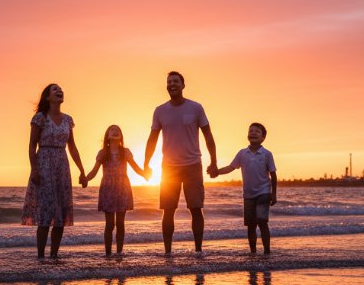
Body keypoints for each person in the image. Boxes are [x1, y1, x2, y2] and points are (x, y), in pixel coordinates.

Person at [143, 71, 217, 253]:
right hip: (169, 168)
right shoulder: (160, 111)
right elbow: (152, 139)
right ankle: (167, 251)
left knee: (196, 208)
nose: (172, 84)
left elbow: (208, 136)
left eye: (176, 81)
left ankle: (198, 251)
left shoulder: (196, 108)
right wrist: (146, 164)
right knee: (168, 210)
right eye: (169, 82)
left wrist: (213, 162)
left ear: (183, 85)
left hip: (193, 165)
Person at [21, 83, 87, 258]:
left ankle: (54, 257)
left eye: (61, 89)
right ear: (47, 96)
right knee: (46, 214)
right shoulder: (40, 118)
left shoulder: (67, 120)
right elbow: (32, 145)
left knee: (60, 217)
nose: (59, 91)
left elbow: (72, 147)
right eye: (54, 89)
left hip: (62, 166)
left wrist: (82, 170)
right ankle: (41, 258)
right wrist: (34, 169)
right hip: (44, 164)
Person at [210, 122, 277, 254]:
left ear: (263, 137)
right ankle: (253, 252)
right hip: (248, 195)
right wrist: (217, 172)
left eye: (257, 131)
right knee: (251, 225)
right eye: (250, 131)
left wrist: (273, 194)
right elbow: (231, 167)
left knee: (262, 221)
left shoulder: (267, 154)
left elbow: (273, 175)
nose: (253, 133)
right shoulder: (242, 153)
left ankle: (267, 252)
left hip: (264, 192)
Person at [84, 125, 148, 255]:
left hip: (122, 188)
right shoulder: (103, 153)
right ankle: (108, 253)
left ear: (121, 137)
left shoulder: (125, 152)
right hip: (108, 188)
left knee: (120, 223)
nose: (115, 131)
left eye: (117, 130)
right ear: (107, 136)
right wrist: (85, 179)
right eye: (112, 130)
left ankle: (119, 253)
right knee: (109, 224)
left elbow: (136, 168)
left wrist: (145, 174)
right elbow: (94, 171)